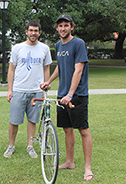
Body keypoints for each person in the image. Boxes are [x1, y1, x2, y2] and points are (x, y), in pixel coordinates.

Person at [41, 14, 94, 181]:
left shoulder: (79, 44)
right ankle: (69, 162)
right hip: (62, 94)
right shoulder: (58, 45)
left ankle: (87, 168)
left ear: (72, 27)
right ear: (57, 28)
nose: (63, 28)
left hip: (77, 95)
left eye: (66, 25)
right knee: (66, 128)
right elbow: (60, 66)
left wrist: (70, 94)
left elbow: (78, 70)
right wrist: (49, 81)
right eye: (60, 25)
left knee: (83, 130)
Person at [3, 20, 52, 158]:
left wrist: (45, 86)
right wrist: (10, 89)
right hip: (19, 89)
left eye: (36, 31)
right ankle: (11, 146)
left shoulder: (44, 48)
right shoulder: (18, 48)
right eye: (31, 30)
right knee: (14, 120)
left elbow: (46, 67)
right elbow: (11, 69)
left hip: (36, 90)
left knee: (33, 120)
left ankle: (30, 146)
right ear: (26, 32)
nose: (33, 33)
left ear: (39, 33)